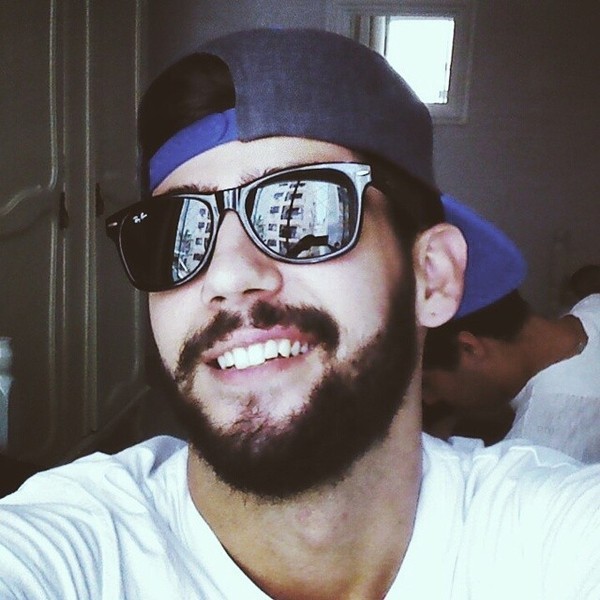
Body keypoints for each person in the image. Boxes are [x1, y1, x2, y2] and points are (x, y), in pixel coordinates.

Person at [1, 28, 599, 599]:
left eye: (303, 209)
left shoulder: (551, 538)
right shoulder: (72, 547)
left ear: (431, 276)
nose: (227, 277)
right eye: (177, 232)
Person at [423, 253, 600, 460]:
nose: (428, 399)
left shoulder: (536, 452)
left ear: (469, 348)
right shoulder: (593, 303)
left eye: (427, 384)